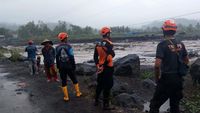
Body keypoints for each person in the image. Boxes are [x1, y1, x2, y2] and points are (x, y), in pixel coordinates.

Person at [149, 19, 189, 113]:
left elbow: (157, 65)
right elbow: (186, 60)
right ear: (174, 30)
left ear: (164, 30)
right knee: (175, 105)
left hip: (166, 78)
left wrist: (157, 78)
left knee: (154, 105)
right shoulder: (181, 43)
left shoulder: (162, 45)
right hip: (178, 79)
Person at [93, 27, 115, 110]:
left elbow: (95, 56)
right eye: (110, 33)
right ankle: (106, 105)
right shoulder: (109, 44)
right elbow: (109, 57)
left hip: (100, 66)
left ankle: (96, 101)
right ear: (107, 34)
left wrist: (98, 65)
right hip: (108, 67)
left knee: (100, 84)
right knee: (108, 86)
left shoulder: (98, 44)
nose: (110, 35)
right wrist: (104, 66)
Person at [56, 32, 82, 101]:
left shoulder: (57, 47)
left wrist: (58, 67)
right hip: (69, 66)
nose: (67, 39)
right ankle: (78, 93)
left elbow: (57, 58)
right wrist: (73, 66)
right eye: (67, 38)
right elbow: (71, 57)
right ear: (65, 38)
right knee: (74, 79)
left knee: (63, 81)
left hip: (61, 67)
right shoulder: (69, 46)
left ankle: (66, 97)